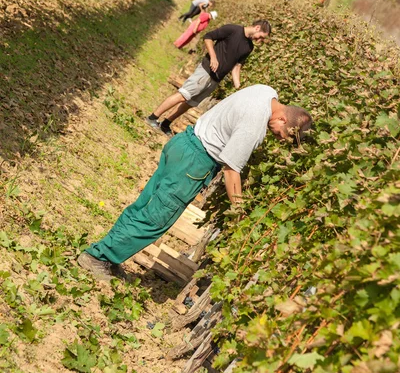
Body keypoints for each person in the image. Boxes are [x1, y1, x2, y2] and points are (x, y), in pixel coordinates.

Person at [77, 84, 312, 279]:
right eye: (285, 135)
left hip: (184, 144)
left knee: (146, 205)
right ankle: (98, 256)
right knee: (155, 218)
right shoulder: (254, 126)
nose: (281, 140)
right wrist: (238, 211)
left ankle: (110, 255)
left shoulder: (265, 91)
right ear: (282, 118)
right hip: (194, 164)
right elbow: (232, 169)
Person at [145, 19, 271, 137]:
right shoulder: (232, 29)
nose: (259, 40)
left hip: (216, 79)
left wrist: (239, 88)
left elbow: (236, 67)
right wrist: (213, 57)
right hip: (206, 71)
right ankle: (152, 117)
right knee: (183, 94)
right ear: (257, 27)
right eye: (261, 37)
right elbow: (208, 37)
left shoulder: (249, 47)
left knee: (190, 103)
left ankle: (166, 123)